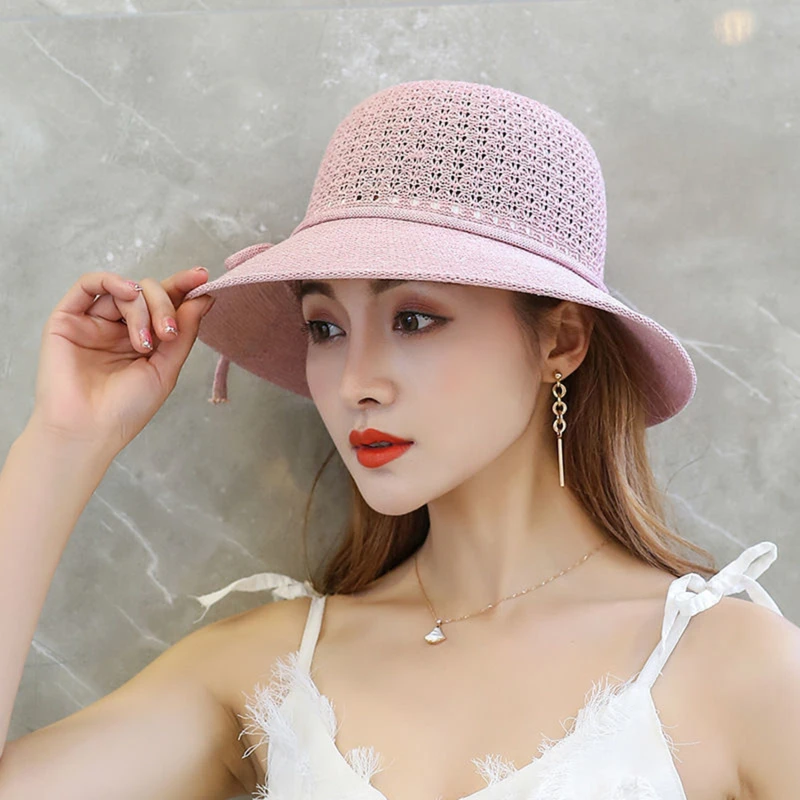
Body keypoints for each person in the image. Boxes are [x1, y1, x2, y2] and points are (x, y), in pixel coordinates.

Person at [0, 79, 798, 800]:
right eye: (325, 327)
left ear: (559, 342)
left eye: (413, 318)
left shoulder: (738, 669)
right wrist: (65, 441)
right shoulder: (271, 671)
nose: (356, 381)